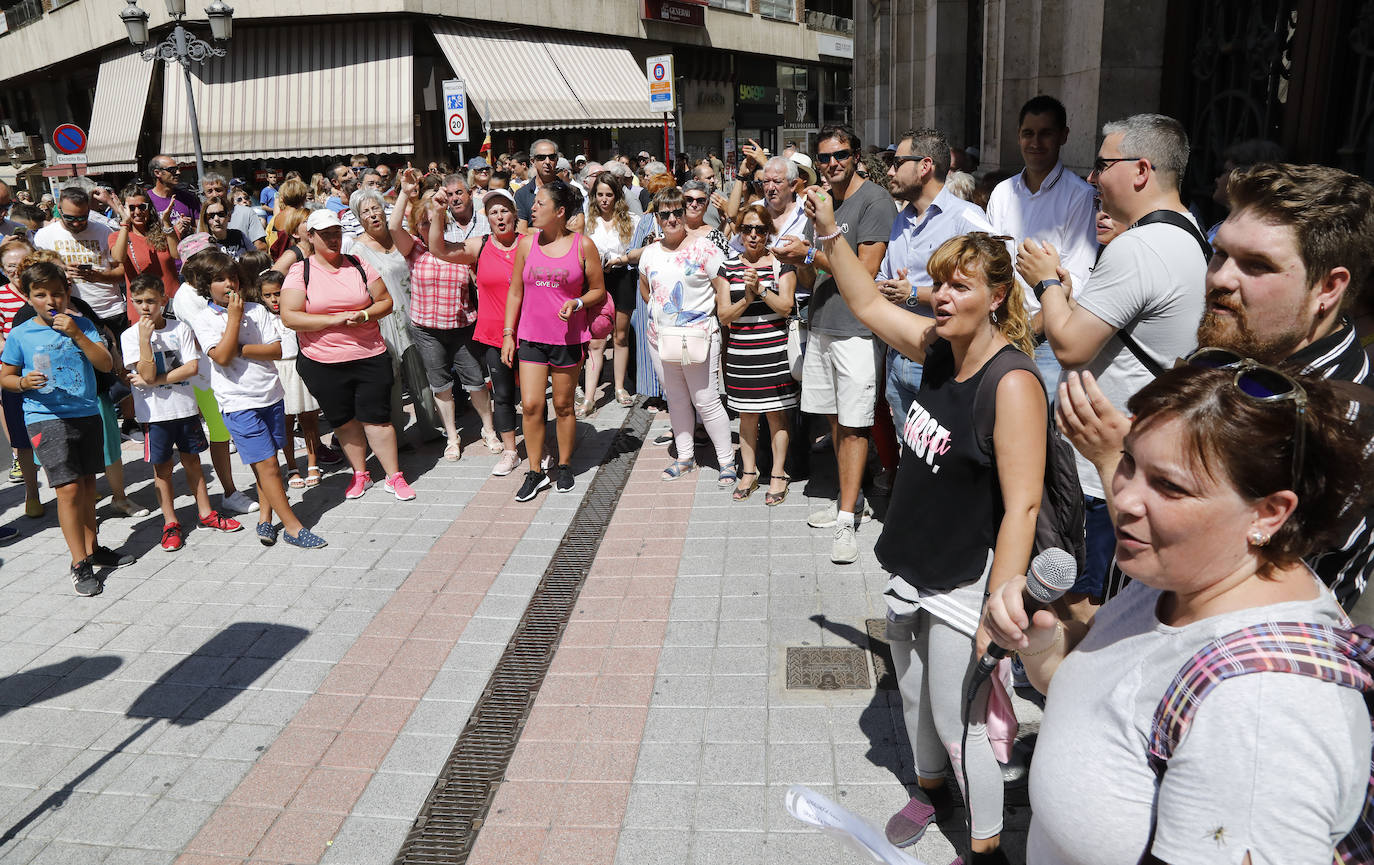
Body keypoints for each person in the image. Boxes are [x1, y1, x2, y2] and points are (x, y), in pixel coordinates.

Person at [987, 361, 1372, 864]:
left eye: (1169, 487)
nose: (1123, 497)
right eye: (1127, 460)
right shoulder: (1181, 575)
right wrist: (1041, 641)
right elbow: (1103, 689)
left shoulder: (1261, 714)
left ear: (1269, 513)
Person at [813, 190, 1041, 864]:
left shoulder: (1012, 383)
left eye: (959, 285)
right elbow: (869, 304)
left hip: (966, 577)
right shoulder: (941, 348)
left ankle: (988, 845)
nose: (940, 295)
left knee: (957, 715)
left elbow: (1023, 505)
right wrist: (830, 231)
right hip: (912, 560)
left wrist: (998, 608)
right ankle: (930, 790)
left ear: (997, 296)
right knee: (911, 692)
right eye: (938, 281)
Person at [1055, 162, 1374, 609]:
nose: (1222, 278)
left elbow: (1232, 597)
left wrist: (1113, 459)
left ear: (1329, 287)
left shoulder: (1341, 424)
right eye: (1221, 254)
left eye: (1257, 265)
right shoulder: (1225, 355)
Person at [1027, 113, 1208, 615]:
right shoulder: (1185, 230)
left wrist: (1046, 282)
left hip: (1104, 467)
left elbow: (1068, 346)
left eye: (1102, 165)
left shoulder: (1140, 246)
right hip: (1135, 448)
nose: (1091, 177)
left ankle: (1065, 680)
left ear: (1141, 170)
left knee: (1086, 598)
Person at [778, 126, 897, 565]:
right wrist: (799, 260)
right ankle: (852, 498)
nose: (832, 164)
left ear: (856, 155)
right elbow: (818, 278)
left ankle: (848, 517)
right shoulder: (823, 202)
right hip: (823, 322)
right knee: (836, 422)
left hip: (858, 330)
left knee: (855, 422)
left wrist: (809, 253)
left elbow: (864, 271)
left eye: (840, 155)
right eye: (824, 157)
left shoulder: (874, 201)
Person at [0, 261, 134, 595]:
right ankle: (79, 562)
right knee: (69, 489)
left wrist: (76, 333)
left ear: (68, 293)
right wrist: (21, 381)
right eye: (41, 294)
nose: (50, 301)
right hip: (44, 415)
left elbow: (106, 363)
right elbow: (5, 376)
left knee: (89, 484)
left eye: (57, 294)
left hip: (86, 412)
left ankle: (93, 548)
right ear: (29, 297)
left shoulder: (83, 324)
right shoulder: (21, 334)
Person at [184, 250, 327, 548]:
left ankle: (265, 518)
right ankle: (293, 526)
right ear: (206, 286)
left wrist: (239, 348)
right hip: (238, 404)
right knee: (269, 467)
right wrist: (234, 321)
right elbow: (221, 357)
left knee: (269, 464)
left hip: (271, 396)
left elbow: (276, 350)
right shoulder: (205, 318)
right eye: (220, 279)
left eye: (232, 277)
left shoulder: (258, 310)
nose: (229, 284)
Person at [280, 209, 414, 501]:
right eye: (325, 234)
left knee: (378, 418)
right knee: (343, 421)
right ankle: (360, 473)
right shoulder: (300, 271)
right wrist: (333, 320)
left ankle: (394, 476)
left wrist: (364, 313)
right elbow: (289, 316)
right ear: (311, 237)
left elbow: (385, 302)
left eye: (336, 233)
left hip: (368, 353)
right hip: (321, 360)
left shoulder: (358, 264)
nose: (332, 239)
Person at [877, 128, 996, 421]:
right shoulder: (901, 220)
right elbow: (883, 276)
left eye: (897, 162)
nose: (890, 171)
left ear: (925, 166)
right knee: (909, 449)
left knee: (942, 455)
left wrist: (913, 293)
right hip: (897, 359)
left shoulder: (966, 221)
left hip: (943, 359)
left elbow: (986, 291)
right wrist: (886, 287)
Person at [121, 274, 242, 551]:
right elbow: (146, 371)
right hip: (155, 415)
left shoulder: (180, 329)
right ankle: (170, 522)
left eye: (151, 300)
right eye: (138, 302)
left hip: (184, 409)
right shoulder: (130, 336)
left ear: (164, 300)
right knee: (162, 470)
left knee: (193, 463)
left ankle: (206, 512)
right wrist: (144, 340)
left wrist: (155, 380)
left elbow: (190, 368)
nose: (145, 307)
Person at [986, 96, 1098, 393]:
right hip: (998, 334)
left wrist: (1025, 334)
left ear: (1063, 136)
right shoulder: (1002, 193)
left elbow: (1075, 282)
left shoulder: (1080, 197)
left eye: (1046, 133)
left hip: (1046, 345)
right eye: (1028, 133)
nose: (1036, 142)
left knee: (1043, 433)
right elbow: (988, 265)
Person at [502, 181, 606, 500]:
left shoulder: (582, 245)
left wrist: (577, 302)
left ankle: (563, 465)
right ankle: (535, 471)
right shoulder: (525, 244)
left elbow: (598, 290)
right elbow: (516, 291)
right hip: (531, 337)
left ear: (560, 212)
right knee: (532, 405)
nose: (532, 208)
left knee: (562, 405)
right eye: (534, 203)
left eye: (540, 204)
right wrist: (508, 334)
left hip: (567, 337)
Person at [389, 171, 497, 460]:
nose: (427, 226)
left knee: (475, 380)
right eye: (422, 222)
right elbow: (392, 226)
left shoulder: (457, 249)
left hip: (462, 325)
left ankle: (488, 429)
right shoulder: (413, 249)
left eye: (433, 220)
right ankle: (452, 435)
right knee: (441, 386)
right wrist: (404, 192)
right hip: (427, 329)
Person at [639, 187, 736, 486]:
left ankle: (727, 461)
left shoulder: (705, 248)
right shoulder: (650, 252)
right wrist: (659, 313)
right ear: (656, 217)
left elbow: (723, 286)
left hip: (699, 337)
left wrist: (716, 319)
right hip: (661, 339)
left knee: (706, 400)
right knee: (677, 399)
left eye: (677, 213)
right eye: (665, 214)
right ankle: (685, 457)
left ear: (685, 214)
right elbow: (645, 285)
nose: (671, 219)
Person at [427, 187, 524, 476]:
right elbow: (439, 249)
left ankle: (541, 447)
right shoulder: (479, 245)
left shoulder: (529, 243)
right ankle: (510, 451)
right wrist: (439, 213)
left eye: (504, 209)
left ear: (514, 213)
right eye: (493, 212)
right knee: (504, 396)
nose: (499, 216)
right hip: (495, 334)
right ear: (488, 219)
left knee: (532, 399)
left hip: (530, 332)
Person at [713, 203, 799, 505]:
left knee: (777, 416)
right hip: (741, 354)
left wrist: (761, 290)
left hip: (773, 353)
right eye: (747, 228)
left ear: (768, 232)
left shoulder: (781, 264)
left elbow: (787, 306)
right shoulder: (728, 266)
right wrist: (747, 299)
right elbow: (724, 316)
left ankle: (778, 474)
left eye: (760, 229)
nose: (753, 235)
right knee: (747, 417)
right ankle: (749, 471)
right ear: (739, 231)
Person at [347, 187, 440, 442]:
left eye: (376, 208)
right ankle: (396, 438)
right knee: (392, 380)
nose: (373, 214)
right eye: (365, 211)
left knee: (421, 373)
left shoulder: (401, 238)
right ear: (358, 217)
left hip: (415, 313)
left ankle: (431, 428)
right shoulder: (355, 250)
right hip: (384, 321)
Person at [33, 187, 126, 336]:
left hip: (109, 311)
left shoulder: (104, 231)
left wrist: (100, 277)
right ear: (59, 209)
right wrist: (60, 271)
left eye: (82, 218)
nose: (76, 223)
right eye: (70, 218)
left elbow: (121, 272)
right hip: (69, 314)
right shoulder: (43, 236)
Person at [583, 172, 637, 414]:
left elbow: (639, 252)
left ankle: (619, 387)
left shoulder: (630, 220)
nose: (604, 199)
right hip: (596, 279)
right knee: (596, 339)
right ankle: (590, 396)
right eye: (600, 195)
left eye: (609, 195)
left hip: (623, 275)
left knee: (620, 336)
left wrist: (619, 260)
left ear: (617, 196)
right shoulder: (586, 221)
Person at [0, 238, 40, 517]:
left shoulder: (44, 290)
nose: (17, 270)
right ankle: (32, 493)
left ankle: (72, 483)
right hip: (15, 374)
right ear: (2, 269)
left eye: (22, 264)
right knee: (23, 440)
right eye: (10, 266)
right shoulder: (0, 296)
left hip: (49, 374)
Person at [108, 183, 182, 302]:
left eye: (142, 207)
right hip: (142, 308)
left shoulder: (166, 231)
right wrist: (125, 222)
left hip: (172, 304)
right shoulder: (117, 236)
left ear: (149, 208)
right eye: (131, 208)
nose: (137, 212)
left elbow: (177, 254)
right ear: (123, 209)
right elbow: (118, 258)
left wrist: (167, 222)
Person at [201, 173, 267, 252]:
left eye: (218, 190)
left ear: (226, 189)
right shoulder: (204, 217)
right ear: (204, 195)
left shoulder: (246, 213)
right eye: (210, 191)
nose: (215, 194)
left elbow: (261, 247)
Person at [515, 139, 561, 233]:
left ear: (557, 160)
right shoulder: (521, 194)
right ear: (532, 161)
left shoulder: (571, 191)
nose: (547, 161)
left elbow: (576, 229)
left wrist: (534, 230)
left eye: (552, 157)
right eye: (541, 157)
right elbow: (521, 231)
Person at [145, 155, 199, 231]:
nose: (178, 172)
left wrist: (189, 228)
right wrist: (174, 231)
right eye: (172, 170)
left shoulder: (188, 198)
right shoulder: (146, 200)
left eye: (178, 169)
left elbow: (201, 231)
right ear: (157, 173)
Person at [267, 177, 310, 259]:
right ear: (304, 197)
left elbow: (269, 242)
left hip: (278, 263)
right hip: (298, 263)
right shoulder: (304, 218)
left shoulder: (274, 219)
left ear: (282, 198)